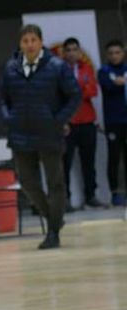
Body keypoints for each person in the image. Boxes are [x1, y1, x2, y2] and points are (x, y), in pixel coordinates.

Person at [0, 24, 81, 250]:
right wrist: (8, 118)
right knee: (27, 182)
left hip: (49, 133)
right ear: (20, 44)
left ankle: (53, 232)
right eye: (25, 41)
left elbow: (74, 96)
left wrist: (58, 120)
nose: (29, 45)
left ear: (41, 42)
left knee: (55, 183)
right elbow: (3, 99)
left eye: (33, 40)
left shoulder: (57, 66)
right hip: (20, 134)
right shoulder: (11, 67)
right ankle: (54, 218)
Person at [60, 38, 102, 209]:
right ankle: (65, 199)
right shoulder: (59, 71)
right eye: (68, 50)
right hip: (68, 123)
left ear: (79, 52)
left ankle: (91, 195)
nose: (72, 53)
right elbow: (59, 94)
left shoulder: (87, 68)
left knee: (89, 162)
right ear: (64, 53)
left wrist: (73, 91)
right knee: (65, 163)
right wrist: (80, 88)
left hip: (87, 122)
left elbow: (93, 91)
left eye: (74, 49)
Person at [99, 39, 127, 206]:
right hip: (113, 122)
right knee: (114, 157)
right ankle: (115, 192)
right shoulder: (104, 71)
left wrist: (119, 83)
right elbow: (108, 87)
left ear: (123, 53)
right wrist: (118, 83)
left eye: (117, 52)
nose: (114, 56)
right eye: (111, 53)